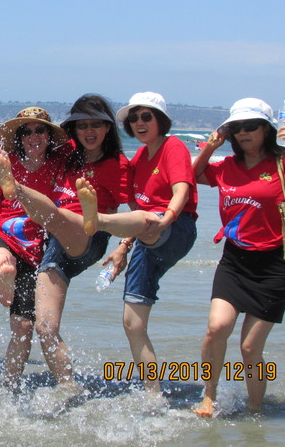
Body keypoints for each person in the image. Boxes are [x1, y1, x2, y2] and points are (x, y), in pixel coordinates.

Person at [0, 94, 132, 393]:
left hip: (88, 237)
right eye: (82, 126)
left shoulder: (117, 165)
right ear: (74, 130)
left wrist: (124, 246)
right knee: (44, 327)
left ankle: (16, 188)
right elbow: (33, 142)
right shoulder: (69, 154)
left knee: (59, 217)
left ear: (108, 128)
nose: (89, 131)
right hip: (54, 250)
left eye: (96, 124)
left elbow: (139, 207)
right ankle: (68, 387)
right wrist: (2, 150)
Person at [192, 98, 285, 416]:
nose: (243, 133)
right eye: (237, 128)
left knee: (250, 348)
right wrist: (210, 146)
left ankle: (255, 409)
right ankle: (208, 397)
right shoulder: (227, 167)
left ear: (267, 130)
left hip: (274, 266)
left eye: (250, 126)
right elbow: (192, 176)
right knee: (216, 328)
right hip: (234, 261)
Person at [77, 91, 198, 393]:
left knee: (147, 219)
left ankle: (98, 221)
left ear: (160, 120)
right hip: (146, 237)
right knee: (132, 322)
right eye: (134, 118)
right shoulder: (138, 160)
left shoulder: (173, 147)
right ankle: (152, 393)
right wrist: (122, 247)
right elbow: (136, 213)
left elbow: (181, 190)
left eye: (147, 116)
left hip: (177, 227)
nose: (140, 122)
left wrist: (166, 218)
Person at [0, 107, 68, 389]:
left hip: (33, 251)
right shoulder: (7, 164)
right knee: (2, 260)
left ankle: (9, 383)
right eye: (26, 132)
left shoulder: (57, 165)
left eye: (40, 130)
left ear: (49, 135)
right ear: (20, 138)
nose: (34, 136)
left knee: (23, 326)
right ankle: (3, 279)